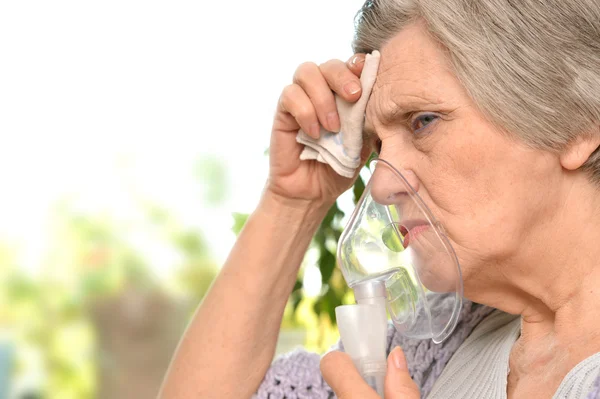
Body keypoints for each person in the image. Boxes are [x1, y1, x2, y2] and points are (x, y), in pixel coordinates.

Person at [159, 0, 600, 397]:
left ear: (578, 121)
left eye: (423, 121)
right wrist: (291, 203)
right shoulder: (432, 348)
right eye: (378, 146)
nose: (381, 187)